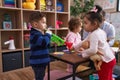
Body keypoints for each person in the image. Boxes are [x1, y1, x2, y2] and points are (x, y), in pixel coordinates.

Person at [73, 6, 116, 80]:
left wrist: (83, 53)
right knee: (108, 78)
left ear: (94, 24)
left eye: (86, 23)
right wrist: (74, 47)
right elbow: (84, 41)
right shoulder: (98, 31)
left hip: (106, 61)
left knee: (104, 78)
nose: (83, 25)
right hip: (110, 59)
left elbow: (93, 50)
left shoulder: (94, 34)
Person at [29, 11, 52, 80]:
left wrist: (51, 42)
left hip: (40, 61)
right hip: (38, 62)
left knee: (40, 76)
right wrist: (48, 34)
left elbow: (43, 45)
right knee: (40, 77)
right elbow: (44, 42)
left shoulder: (38, 34)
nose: (45, 24)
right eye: (43, 22)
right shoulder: (35, 34)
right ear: (35, 24)